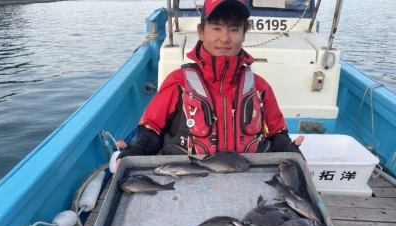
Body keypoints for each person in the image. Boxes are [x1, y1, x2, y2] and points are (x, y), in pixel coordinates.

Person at [116, 0, 304, 169]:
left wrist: (293, 152)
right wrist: (135, 149)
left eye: (234, 29)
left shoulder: (260, 87)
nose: (225, 38)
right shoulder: (177, 82)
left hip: (248, 177)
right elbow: (152, 129)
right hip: (187, 177)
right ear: (201, 32)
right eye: (216, 28)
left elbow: (277, 133)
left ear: (244, 34)